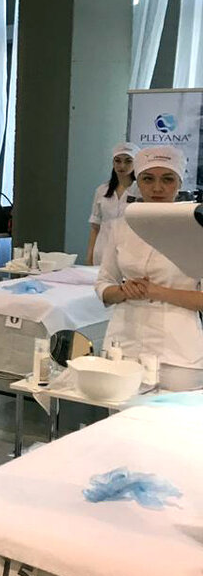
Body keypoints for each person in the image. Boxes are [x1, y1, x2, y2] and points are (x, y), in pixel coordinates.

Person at [96, 146, 203, 391]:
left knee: (174, 415)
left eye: (167, 179)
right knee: (120, 412)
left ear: (179, 183)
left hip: (179, 354)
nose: (157, 188)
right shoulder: (120, 227)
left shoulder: (197, 229)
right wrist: (123, 291)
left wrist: (156, 291)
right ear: (138, 182)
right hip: (124, 346)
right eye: (148, 179)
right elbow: (103, 285)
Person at [86, 142, 140, 266]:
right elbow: (95, 227)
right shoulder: (102, 190)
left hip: (131, 252)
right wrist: (90, 255)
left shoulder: (140, 191)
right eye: (118, 161)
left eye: (128, 161)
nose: (122, 165)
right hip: (102, 251)